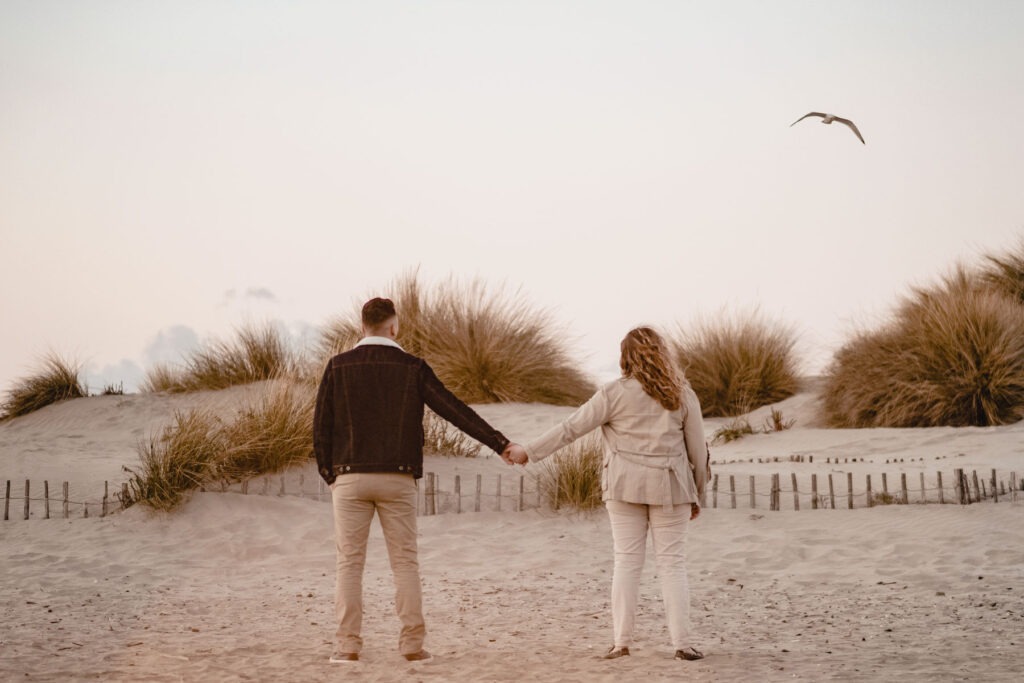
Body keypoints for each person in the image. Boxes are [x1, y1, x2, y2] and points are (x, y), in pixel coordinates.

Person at [314, 297, 520, 664]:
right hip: (397, 477)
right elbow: (453, 408)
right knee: (405, 564)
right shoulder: (412, 367)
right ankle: (412, 646)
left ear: (362, 327)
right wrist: (499, 443)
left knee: (349, 564)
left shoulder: (338, 366)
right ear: (394, 327)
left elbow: (321, 428)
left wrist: (331, 475)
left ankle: (347, 648)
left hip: (349, 477)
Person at [505, 326, 709, 662]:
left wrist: (528, 451)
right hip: (672, 488)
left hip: (623, 487)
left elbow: (570, 428)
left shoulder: (613, 393)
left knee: (627, 563)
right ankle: (683, 644)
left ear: (624, 358)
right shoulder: (682, 394)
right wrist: (697, 493)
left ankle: (621, 643)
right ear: (663, 353)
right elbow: (697, 452)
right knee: (672, 565)